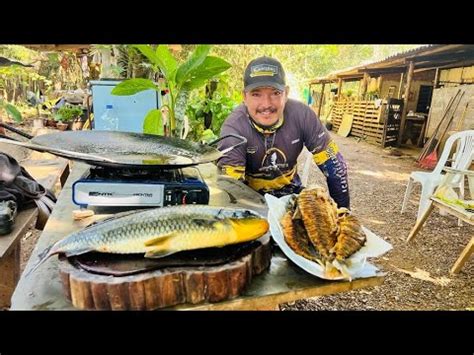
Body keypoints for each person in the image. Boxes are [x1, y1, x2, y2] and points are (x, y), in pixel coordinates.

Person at [217, 56, 350, 208]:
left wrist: (343, 215)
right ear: (244, 97)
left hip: (290, 194)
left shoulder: (303, 115)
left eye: (275, 93)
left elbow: (336, 166)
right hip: (250, 199)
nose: (266, 104)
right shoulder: (234, 127)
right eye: (256, 94)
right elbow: (230, 189)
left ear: (286, 93)